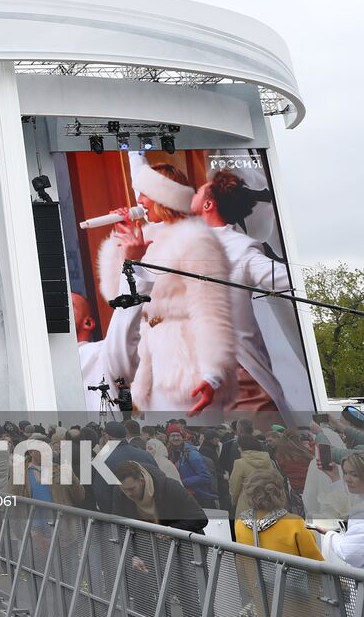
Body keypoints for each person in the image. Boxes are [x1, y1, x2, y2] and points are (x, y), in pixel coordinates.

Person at [94, 160, 236, 416]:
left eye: (145, 194)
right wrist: (122, 243)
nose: (139, 201)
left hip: (187, 367)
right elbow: (117, 298)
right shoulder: (148, 236)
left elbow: (211, 310)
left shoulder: (196, 239)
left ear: (164, 196)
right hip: (152, 363)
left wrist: (212, 374)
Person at [192, 171, 294, 411]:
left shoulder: (240, 249)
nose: (192, 194)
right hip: (196, 374)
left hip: (240, 380)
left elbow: (287, 279)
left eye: (198, 191)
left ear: (208, 204)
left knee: (261, 446)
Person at [234, 469, 321, 558]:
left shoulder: (240, 523)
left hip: (253, 572)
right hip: (288, 572)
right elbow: (316, 565)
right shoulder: (295, 523)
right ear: (280, 492)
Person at [90, 421, 163, 512]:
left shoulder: (103, 458)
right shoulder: (146, 455)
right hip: (149, 512)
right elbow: (158, 480)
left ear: (107, 436)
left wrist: (111, 515)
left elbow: (102, 493)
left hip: (122, 514)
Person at [320, 452, 364, 567]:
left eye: (354, 474)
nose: (347, 479)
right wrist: (334, 477)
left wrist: (330, 535)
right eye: (345, 473)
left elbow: (349, 552)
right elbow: (346, 507)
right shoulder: (360, 497)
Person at [165, 424, 217, 508]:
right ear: (168, 438)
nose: (175, 438)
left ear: (182, 437)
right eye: (172, 436)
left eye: (178, 435)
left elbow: (205, 476)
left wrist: (182, 482)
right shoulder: (170, 453)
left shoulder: (192, 454)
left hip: (200, 498)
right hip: (187, 496)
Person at [229, 434, 282, 515]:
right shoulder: (269, 461)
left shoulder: (240, 463)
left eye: (239, 446)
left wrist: (234, 500)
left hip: (247, 502)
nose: (238, 449)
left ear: (243, 447)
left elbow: (235, 486)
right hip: (269, 502)